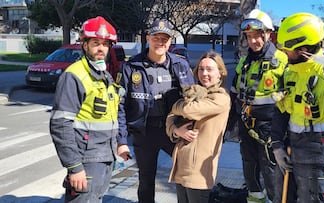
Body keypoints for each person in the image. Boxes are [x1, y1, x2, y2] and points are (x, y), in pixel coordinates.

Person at [271, 12, 324, 203]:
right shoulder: (290, 73)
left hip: (318, 161)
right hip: (290, 153)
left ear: (302, 48)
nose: (283, 52)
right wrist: (276, 145)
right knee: (282, 199)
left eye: (287, 49)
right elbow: (281, 111)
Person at [116, 19, 195, 203]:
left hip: (174, 131)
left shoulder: (180, 65)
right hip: (144, 133)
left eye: (165, 39)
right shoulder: (130, 67)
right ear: (148, 38)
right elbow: (119, 106)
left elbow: (194, 101)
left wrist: (188, 129)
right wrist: (121, 141)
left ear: (170, 41)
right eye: (156, 37)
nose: (160, 42)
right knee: (146, 180)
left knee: (184, 175)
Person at [49, 16, 120, 202]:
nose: (101, 48)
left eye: (105, 44)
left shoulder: (104, 76)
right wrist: (74, 167)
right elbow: (60, 124)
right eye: (96, 42)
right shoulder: (75, 75)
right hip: (86, 163)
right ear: (84, 44)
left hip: (104, 158)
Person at [227, 9, 288, 203]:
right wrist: (227, 127)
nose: (253, 41)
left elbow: (291, 97)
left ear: (268, 33)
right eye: (249, 37)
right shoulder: (244, 62)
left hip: (271, 131)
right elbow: (235, 95)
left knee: (272, 176)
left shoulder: (282, 61)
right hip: (247, 128)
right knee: (250, 172)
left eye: (257, 36)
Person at [165, 50, 231, 203]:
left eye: (210, 69)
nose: (204, 73)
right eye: (201, 69)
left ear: (220, 73)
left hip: (199, 171)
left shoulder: (220, 98)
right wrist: (176, 131)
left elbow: (189, 110)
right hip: (181, 164)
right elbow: (170, 117)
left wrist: (175, 105)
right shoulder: (195, 93)